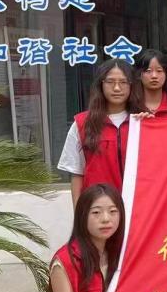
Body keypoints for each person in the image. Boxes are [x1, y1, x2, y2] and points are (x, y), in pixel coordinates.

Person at [58, 59, 138, 205]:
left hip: (137, 208)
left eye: (123, 82)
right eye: (110, 82)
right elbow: (77, 173)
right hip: (98, 207)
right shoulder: (82, 123)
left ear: (132, 85)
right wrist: (79, 213)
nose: (117, 88)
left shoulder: (142, 122)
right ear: (100, 84)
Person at [134, 49, 167, 118]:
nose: (154, 76)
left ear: (166, 74)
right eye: (148, 71)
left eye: (159, 71)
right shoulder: (131, 107)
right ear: (139, 75)